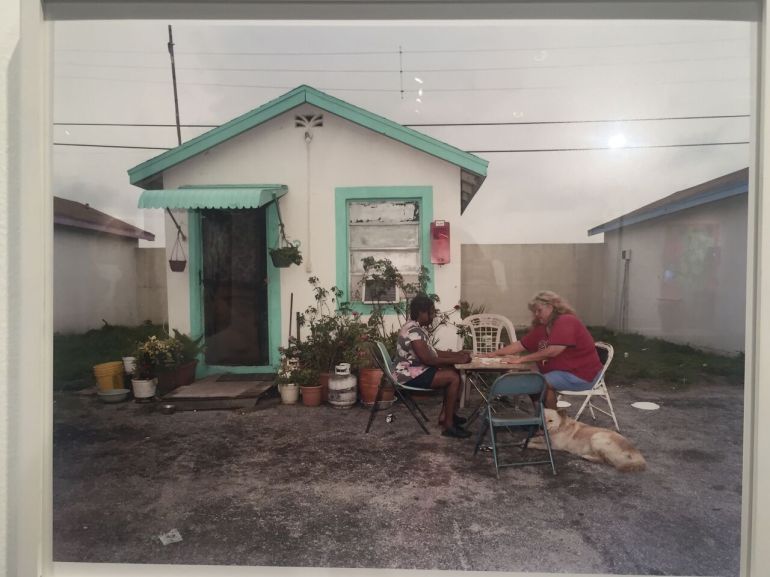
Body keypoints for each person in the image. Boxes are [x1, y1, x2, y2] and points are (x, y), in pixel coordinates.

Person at [481, 290, 602, 410]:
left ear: (550, 307)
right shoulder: (544, 327)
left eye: (539, 311)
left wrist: (522, 359)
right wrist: (494, 353)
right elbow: (520, 345)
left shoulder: (566, 321)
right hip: (563, 372)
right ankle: (542, 419)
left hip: (581, 374)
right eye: (535, 312)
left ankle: (553, 423)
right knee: (530, 380)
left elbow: (553, 350)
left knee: (536, 382)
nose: (537, 315)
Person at [395, 294, 473, 438]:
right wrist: (457, 359)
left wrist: (457, 355)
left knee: (453, 371)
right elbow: (428, 359)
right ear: (421, 312)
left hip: (415, 370)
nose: (432, 316)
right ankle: (448, 426)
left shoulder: (417, 327)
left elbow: (433, 352)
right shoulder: (413, 331)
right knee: (453, 378)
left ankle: (446, 416)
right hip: (408, 374)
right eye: (430, 312)